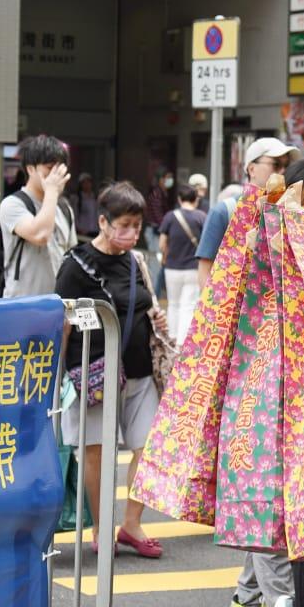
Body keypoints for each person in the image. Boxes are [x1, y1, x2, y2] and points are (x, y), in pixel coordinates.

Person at [194, 137, 297, 607]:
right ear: (250, 167)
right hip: (247, 349)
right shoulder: (229, 207)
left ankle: (250, 596)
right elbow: (209, 272)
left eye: (285, 163)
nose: (280, 170)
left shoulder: (291, 207)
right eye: (273, 163)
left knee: (264, 471)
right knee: (260, 471)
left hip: (279, 347)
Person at [54, 182, 162, 558]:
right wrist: (58, 378)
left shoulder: (136, 262)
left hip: (139, 371)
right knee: (97, 453)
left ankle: (131, 523)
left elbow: (144, 304)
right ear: (103, 221)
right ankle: (101, 527)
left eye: (137, 226)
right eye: (125, 225)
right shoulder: (76, 265)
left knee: (147, 448)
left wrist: (156, 317)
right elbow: (62, 323)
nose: (132, 234)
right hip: (94, 373)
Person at [195, 138, 294, 291]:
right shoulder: (225, 211)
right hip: (230, 310)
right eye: (276, 164)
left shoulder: (287, 211)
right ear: (252, 169)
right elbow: (205, 270)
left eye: (286, 166)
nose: (282, 171)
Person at [0, 135, 75, 298]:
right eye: (49, 168)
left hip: (58, 304)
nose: (56, 175)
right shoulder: (12, 204)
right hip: (21, 306)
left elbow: (71, 257)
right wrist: (52, 191)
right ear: (30, 168)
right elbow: (40, 235)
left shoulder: (64, 208)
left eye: (60, 168)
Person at [157, 183, 206, 344]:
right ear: (195, 199)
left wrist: (165, 257)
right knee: (189, 305)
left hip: (172, 268)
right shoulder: (201, 217)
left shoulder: (170, 216)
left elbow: (162, 243)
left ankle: (172, 337)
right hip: (193, 269)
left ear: (179, 199)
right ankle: (182, 342)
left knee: (173, 304)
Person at [73, 172, 100, 240]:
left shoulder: (95, 197)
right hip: (84, 231)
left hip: (95, 230)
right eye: (84, 183)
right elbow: (75, 215)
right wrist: (79, 228)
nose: (87, 185)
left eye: (88, 182)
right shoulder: (77, 199)